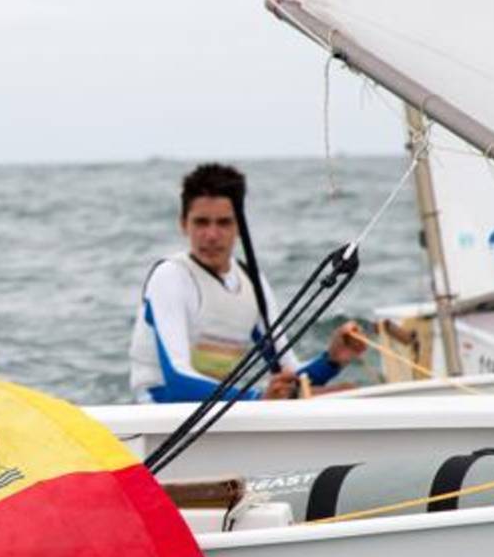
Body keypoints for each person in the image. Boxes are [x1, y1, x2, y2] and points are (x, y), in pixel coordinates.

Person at [128, 163, 365, 403]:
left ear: (240, 226)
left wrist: (332, 360)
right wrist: (257, 398)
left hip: (218, 414)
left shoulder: (252, 282)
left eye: (223, 223)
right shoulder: (170, 276)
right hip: (158, 417)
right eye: (201, 222)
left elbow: (288, 375)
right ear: (183, 224)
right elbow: (178, 381)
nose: (211, 235)